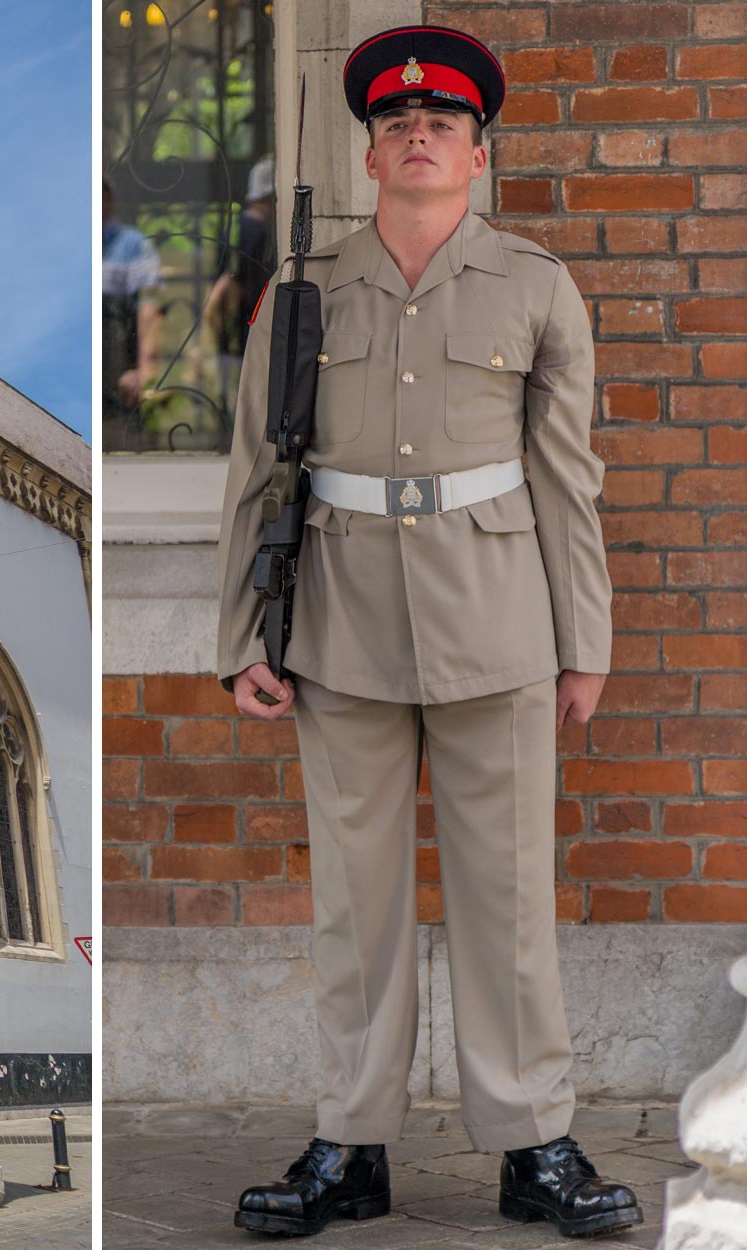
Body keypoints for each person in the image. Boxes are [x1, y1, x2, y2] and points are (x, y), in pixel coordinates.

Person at [213, 25, 639, 1240]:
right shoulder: (301, 294)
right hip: (339, 615)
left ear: (477, 151)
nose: (418, 136)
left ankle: (533, 1143)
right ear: (368, 154)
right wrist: (245, 630)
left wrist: (585, 639)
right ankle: (350, 1143)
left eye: (441, 124)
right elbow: (257, 472)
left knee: (507, 892)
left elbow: (569, 477)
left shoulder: (534, 284)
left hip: (498, 613)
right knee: (355, 903)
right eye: (398, 124)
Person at [204, 157, 279, 409]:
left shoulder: (235, 226)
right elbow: (228, 281)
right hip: (245, 331)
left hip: (233, 336)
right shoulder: (254, 230)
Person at [102, 178, 164, 437]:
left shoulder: (133, 246)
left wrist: (144, 371)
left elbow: (151, 308)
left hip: (123, 385)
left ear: (107, 200)